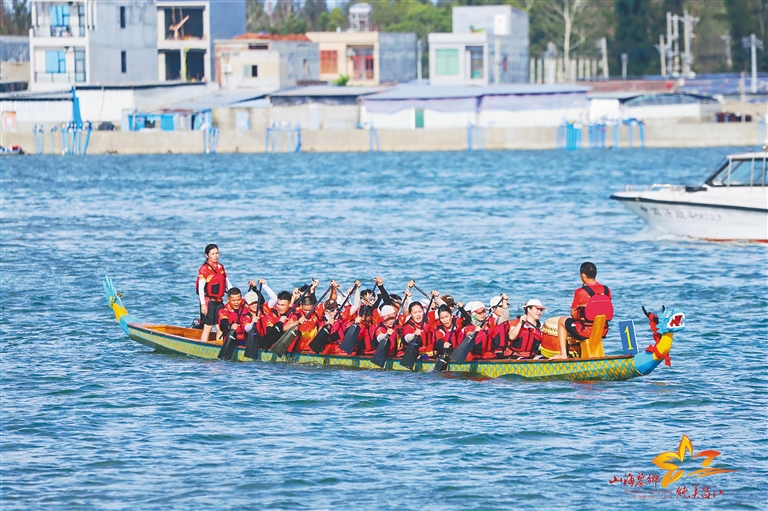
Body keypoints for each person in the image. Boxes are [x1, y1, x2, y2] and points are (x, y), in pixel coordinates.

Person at [553, 262, 613, 360]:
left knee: (561, 321)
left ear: (583, 275)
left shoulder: (580, 292)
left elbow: (573, 314)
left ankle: (563, 353)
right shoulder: (606, 290)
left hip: (585, 331)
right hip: (602, 330)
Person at [197, 244, 232, 342]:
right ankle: (202, 347)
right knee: (208, 327)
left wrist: (233, 295)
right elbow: (200, 288)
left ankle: (219, 347)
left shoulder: (221, 267)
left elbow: (228, 284)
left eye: (217, 253)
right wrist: (203, 304)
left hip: (219, 301)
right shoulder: (204, 269)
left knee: (220, 327)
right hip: (208, 302)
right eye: (213, 254)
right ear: (207, 255)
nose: (215, 256)